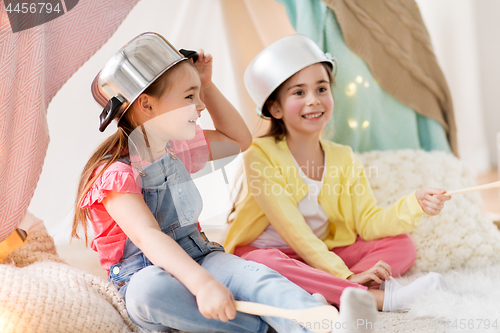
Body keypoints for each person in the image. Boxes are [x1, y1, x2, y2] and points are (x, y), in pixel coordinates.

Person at [72, 32, 378, 333]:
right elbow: (149, 237)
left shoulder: (178, 150)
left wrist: (207, 85)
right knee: (150, 291)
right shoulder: (114, 175)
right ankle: (262, 327)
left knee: (257, 276)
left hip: (200, 255)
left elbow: (238, 139)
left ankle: (327, 324)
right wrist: (203, 284)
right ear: (148, 106)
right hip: (146, 273)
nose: (201, 106)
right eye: (190, 97)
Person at [224, 34, 450, 312]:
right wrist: (344, 274)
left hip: (319, 254)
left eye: (321, 89)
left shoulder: (343, 157)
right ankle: (375, 297)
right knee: (263, 264)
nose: (313, 100)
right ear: (275, 108)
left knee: (401, 245)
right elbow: (293, 229)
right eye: (298, 92)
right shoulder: (260, 155)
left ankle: (322, 291)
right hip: (273, 254)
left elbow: (367, 222)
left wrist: (414, 203)